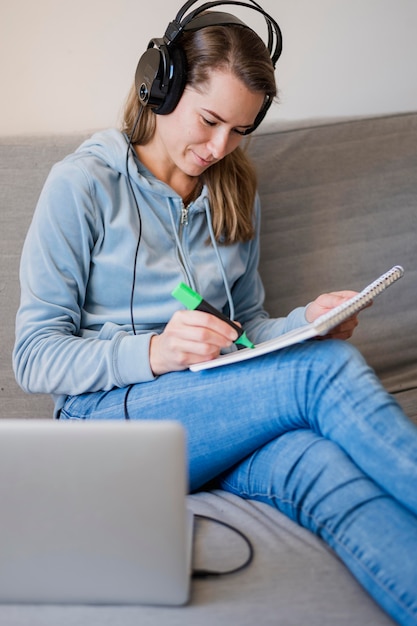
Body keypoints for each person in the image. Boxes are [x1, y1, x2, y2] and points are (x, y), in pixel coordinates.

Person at [13, 2, 417, 624]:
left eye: (241, 130)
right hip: (110, 422)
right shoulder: (83, 186)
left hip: (215, 415)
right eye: (209, 121)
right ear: (161, 84)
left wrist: (305, 321)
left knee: (322, 466)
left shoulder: (236, 191)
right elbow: (33, 357)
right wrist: (153, 353)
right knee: (322, 369)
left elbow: (244, 328)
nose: (220, 146)